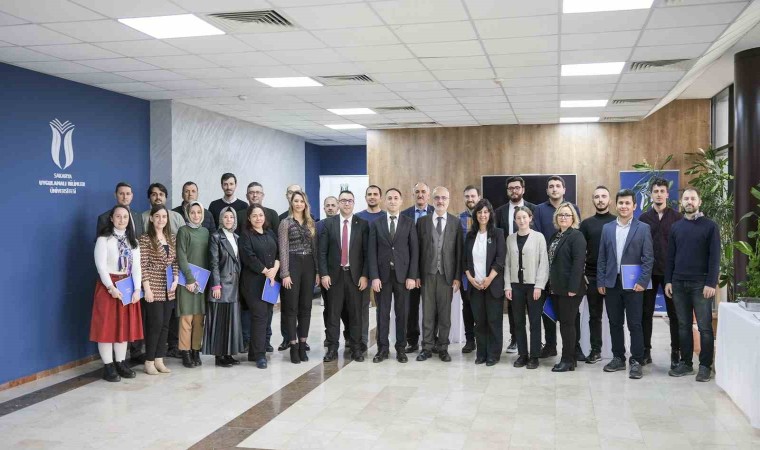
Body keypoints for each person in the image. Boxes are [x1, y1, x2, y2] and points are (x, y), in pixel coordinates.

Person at [597, 189, 654, 380]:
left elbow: (648, 258)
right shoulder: (607, 228)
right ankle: (618, 358)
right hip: (612, 283)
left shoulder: (643, 228)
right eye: (621, 203)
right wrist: (601, 280)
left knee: (635, 324)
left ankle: (636, 360)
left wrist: (643, 281)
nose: (623, 206)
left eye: (627, 203)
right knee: (615, 323)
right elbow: (602, 257)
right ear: (616, 205)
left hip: (634, 285)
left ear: (634, 206)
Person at [665, 188, 720, 382]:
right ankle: (686, 364)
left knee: (704, 327)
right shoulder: (676, 227)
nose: (689, 201)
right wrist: (668, 280)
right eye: (686, 198)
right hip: (678, 283)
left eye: (693, 198)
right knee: (683, 326)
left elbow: (715, 257)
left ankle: (705, 366)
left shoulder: (710, 226)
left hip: (701, 284)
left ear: (699, 202)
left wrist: (711, 282)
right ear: (681, 202)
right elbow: (670, 257)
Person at [91, 205, 143, 382]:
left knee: (123, 326)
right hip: (109, 287)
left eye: (125, 217)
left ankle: (120, 362)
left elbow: (136, 267)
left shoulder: (133, 241)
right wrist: (111, 288)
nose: (122, 220)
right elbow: (101, 267)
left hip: (126, 286)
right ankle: (108, 366)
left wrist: (137, 289)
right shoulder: (104, 239)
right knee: (106, 328)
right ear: (111, 219)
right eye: (118, 216)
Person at [533, 176, 582, 361]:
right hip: (549, 274)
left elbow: (578, 260)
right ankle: (552, 346)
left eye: (558, 186)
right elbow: (538, 237)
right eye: (551, 186)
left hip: (568, 279)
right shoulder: (540, 212)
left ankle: (572, 352)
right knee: (550, 312)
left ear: (564, 189)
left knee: (569, 319)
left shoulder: (575, 229)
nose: (554, 189)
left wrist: (573, 286)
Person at [368, 188, 418, 363]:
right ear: (385, 201)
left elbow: (414, 251)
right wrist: (374, 276)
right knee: (382, 313)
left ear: (401, 201)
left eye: (396, 198)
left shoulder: (409, 223)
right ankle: (382, 349)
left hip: (403, 277)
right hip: (382, 277)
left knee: (402, 314)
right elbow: (371, 252)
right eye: (389, 198)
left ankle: (401, 349)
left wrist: (412, 276)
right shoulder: (377, 223)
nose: (392, 201)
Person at [320, 190, 370, 363]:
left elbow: (367, 253)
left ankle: (356, 348)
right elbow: (322, 251)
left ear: (354, 203)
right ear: (339, 203)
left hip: (355, 277)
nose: (346, 203)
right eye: (343, 200)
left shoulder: (362, 224)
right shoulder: (329, 223)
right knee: (333, 314)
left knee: (355, 314)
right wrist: (324, 274)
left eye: (349, 200)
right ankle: (332, 348)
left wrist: (365, 275)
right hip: (334, 277)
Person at [639, 177, 682, 368]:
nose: (659, 194)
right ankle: (645, 351)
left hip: (669, 273)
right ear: (651, 194)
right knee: (645, 313)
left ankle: (675, 352)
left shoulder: (677, 218)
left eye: (662, 191)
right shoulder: (643, 219)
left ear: (667, 194)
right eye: (655, 191)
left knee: (674, 314)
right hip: (648, 273)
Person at [416, 186, 462, 363]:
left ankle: (443, 347)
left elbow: (458, 252)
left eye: (444, 198)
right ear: (432, 200)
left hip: (446, 276)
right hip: (427, 275)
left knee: (445, 314)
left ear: (448, 200)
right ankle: (426, 347)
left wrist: (457, 276)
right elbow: (417, 251)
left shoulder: (456, 222)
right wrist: (416, 274)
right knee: (427, 314)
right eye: (437, 198)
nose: (440, 201)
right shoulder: (422, 222)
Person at [237, 182, 280, 354]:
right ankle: (259, 354)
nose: (258, 218)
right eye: (254, 216)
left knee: (267, 315)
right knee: (259, 316)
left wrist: (275, 269)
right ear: (249, 218)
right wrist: (266, 271)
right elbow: (249, 257)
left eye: (260, 215)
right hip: (253, 282)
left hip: (270, 282)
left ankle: (256, 352)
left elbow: (278, 254)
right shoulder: (245, 235)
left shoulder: (270, 234)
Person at [495, 176, 537, 354]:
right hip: (508, 262)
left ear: (523, 189)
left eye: (517, 187)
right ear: (507, 191)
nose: (514, 191)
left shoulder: (534, 209)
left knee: (534, 311)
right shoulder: (499, 212)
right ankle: (515, 339)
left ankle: (535, 345)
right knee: (513, 306)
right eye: (511, 188)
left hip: (531, 265)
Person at [504, 206, 549, 370]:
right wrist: (507, 286)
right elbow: (507, 264)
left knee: (535, 322)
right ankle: (522, 354)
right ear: (515, 220)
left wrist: (539, 286)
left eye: (524, 217)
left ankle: (534, 356)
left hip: (533, 287)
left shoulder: (539, 237)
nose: (522, 220)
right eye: (518, 218)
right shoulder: (510, 239)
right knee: (518, 322)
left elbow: (544, 263)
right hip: (516, 286)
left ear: (530, 218)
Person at [279, 191, 319, 364]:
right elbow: (283, 249)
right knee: (291, 308)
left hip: (309, 265)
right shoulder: (285, 223)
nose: (299, 204)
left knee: (306, 307)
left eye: (301, 201)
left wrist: (317, 272)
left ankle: (303, 345)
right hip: (292, 265)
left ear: (305, 204)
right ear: (291, 203)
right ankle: (293, 347)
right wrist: (285, 273)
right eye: (296, 201)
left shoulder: (311, 223)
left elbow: (315, 249)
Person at [138, 205, 179, 375]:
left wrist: (176, 278)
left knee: (165, 325)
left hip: (169, 287)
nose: (161, 220)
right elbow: (142, 265)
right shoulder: (145, 238)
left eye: (164, 216)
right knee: (155, 324)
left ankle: (159, 360)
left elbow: (175, 261)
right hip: (153, 286)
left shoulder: (171, 238)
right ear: (151, 218)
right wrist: (146, 288)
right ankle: (149, 361)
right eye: (157, 216)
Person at [464, 199, 506, 366]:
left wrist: (489, 279)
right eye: (480, 212)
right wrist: (470, 278)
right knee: (479, 322)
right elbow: (465, 261)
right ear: (475, 215)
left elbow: (500, 259)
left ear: (490, 214)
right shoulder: (470, 236)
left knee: (493, 321)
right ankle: (481, 353)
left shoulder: (498, 233)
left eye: (486, 212)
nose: (483, 215)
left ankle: (493, 354)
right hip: (475, 286)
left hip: (492, 285)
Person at [547, 203, 586, 372]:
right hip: (556, 288)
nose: (563, 217)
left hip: (570, 289)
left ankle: (567, 360)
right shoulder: (554, 236)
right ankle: (571, 359)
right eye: (561, 214)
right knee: (566, 323)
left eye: (567, 215)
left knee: (567, 324)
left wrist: (573, 288)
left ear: (573, 218)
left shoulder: (577, 236)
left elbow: (578, 264)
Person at [578, 186, 616, 364]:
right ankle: (595, 350)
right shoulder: (586, 224)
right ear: (593, 200)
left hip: (614, 276)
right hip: (592, 276)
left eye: (604, 196)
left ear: (610, 200)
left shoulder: (617, 222)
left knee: (615, 316)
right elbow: (580, 252)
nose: (600, 199)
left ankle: (618, 352)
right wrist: (583, 273)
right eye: (597, 197)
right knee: (594, 316)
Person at [204, 207, 245, 368]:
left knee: (231, 320)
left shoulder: (236, 237)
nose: (229, 220)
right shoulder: (216, 236)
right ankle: (219, 355)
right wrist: (216, 284)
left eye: (231, 217)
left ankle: (228, 354)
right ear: (221, 219)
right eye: (226, 217)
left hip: (234, 284)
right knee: (220, 320)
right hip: (221, 284)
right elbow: (213, 262)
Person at [175, 201, 210, 368]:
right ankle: (185, 352)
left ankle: (196, 350)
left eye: (199, 212)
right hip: (187, 281)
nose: (196, 215)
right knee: (186, 318)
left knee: (199, 319)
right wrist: (189, 279)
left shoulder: (205, 232)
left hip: (202, 282)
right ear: (188, 214)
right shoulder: (183, 231)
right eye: (193, 212)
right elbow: (181, 256)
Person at [401, 181, 434, 353]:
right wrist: (412, 273)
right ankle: (412, 341)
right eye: (417, 192)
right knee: (411, 308)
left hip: (431, 270)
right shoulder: (404, 215)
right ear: (413, 194)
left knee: (431, 308)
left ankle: (432, 340)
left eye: (423, 192)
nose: (420, 195)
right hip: (410, 271)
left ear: (428, 195)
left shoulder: (436, 212)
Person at [355, 185, 384, 353]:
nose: (372, 197)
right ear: (365, 197)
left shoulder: (386, 217)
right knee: (362, 307)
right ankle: (362, 341)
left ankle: (382, 342)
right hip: (363, 271)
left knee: (382, 308)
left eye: (375, 194)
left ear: (380, 197)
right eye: (369, 194)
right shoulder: (358, 217)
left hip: (382, 271)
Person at [458, 185, 480, 354]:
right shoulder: (459, 219)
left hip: (483, 271)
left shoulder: (486, 216)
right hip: (465, 271)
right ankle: (470, 340)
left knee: (482, 307)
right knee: (468, 306)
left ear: (479, 197)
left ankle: (483, 339)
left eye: (473, 196)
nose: (470, 199)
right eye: (467, 196)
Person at [318, 196, 343, 347]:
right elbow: (317, 251)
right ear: (324, 208)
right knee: (329, 307)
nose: (330, 208)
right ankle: (330, 337)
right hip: (326, 274)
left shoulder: (344, 223)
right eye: (328, 205)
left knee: (345, 308)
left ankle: (348, 336)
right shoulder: (318, 226)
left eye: (333, 205)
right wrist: (320, 273)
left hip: (344, 273)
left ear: (338, 207)